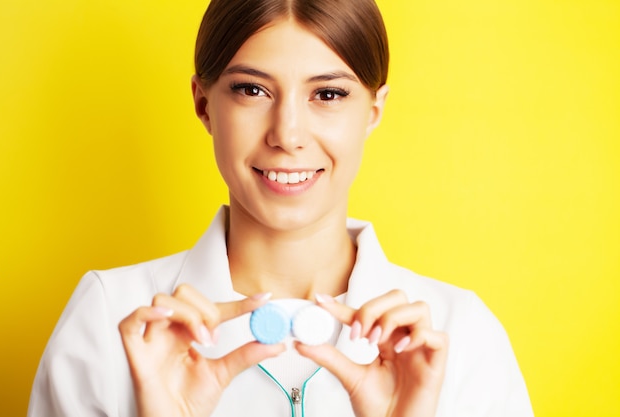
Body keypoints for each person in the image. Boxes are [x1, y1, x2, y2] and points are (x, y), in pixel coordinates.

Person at [28, 0, 534, 416]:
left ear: (373, 112)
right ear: (204, 104)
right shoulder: (111, 318)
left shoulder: (459, 336)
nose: (287, 135)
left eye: (329, 94)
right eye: (252, 90)